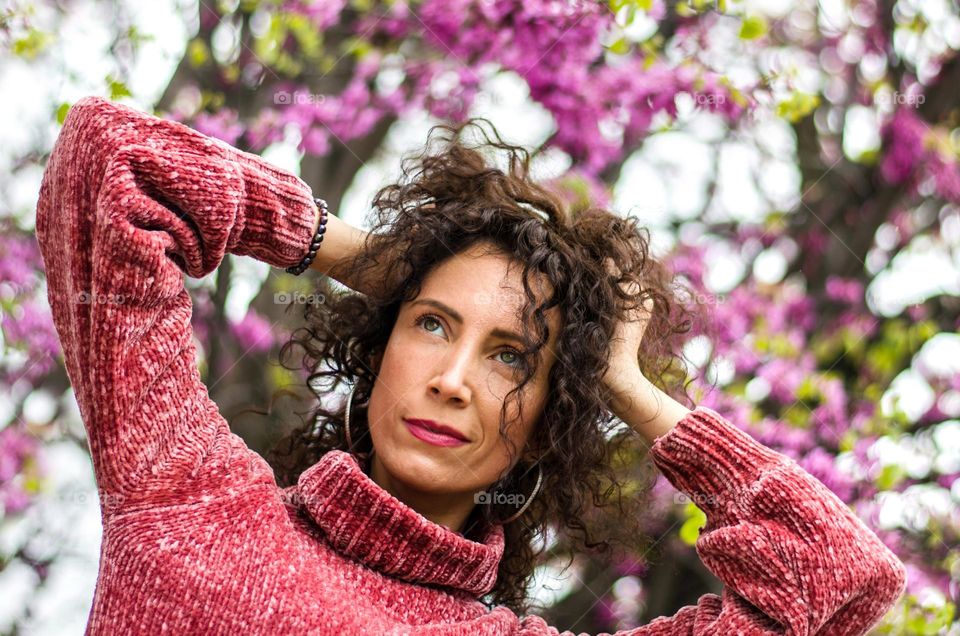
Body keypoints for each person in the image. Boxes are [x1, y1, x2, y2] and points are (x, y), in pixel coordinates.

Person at [35, 95, 907, 635]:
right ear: (378, 354)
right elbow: (113, 161)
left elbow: (837, 575)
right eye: (430, 326)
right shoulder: (188, 499)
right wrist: (362, 258)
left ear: (545, 429)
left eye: (511, 357)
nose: (452, 379)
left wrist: (625, 385)